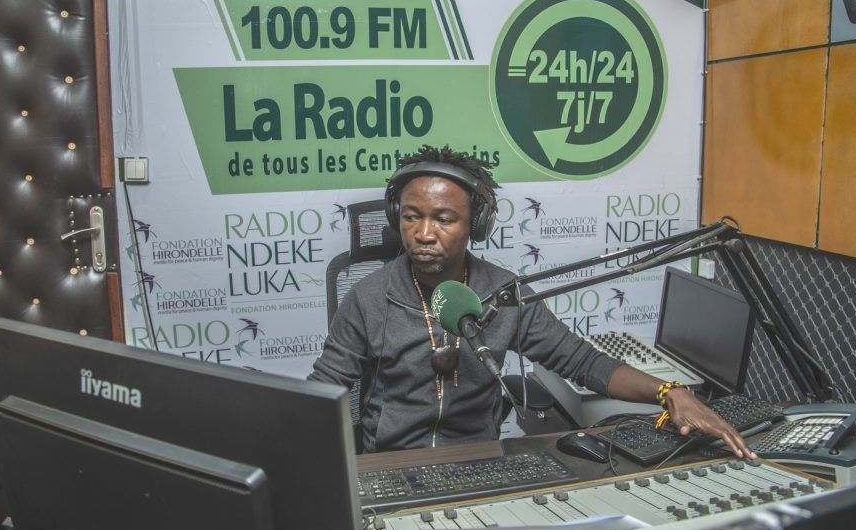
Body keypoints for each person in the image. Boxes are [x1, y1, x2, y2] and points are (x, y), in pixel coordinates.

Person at [309, 145, 756, 458]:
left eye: (443, 219)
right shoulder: (368, 298)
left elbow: (582, 361)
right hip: (391, 463)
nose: (424, 233)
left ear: (475, 225)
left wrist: (669, 391)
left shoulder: (504, 292)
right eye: (412, 217)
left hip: (480, 459)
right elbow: (326, 386)